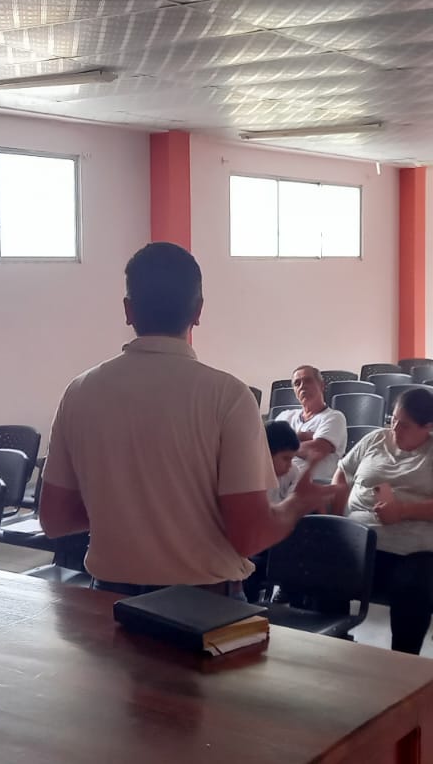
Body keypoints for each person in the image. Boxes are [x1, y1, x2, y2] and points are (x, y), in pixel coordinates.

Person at [40, 243, 328, 596]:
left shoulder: (80, 392)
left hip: (110, 598)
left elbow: (54, 519)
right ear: (198, 310)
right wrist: (296, 504)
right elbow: (249, 536)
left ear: (128, 310)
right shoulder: (228, 396)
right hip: (204, 604)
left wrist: (123, 508)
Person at [331, 388, 433, 655]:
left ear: (427, 427)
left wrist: (403, 511)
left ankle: (404, 660)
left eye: (405, 425)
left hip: (423, 551)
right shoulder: (375, 440)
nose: (395, 428)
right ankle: (334, 644)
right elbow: (342, 473)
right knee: (325, 567)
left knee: (411, 586)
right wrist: (338, 520)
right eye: (393, 419)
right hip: (364, 544)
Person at [245, 421, 309, 602]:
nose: (290, 464)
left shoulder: (294, 472)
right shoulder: (247, 473)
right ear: (265, 453)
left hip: (277, 541)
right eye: (285, 458)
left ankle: (289, 594)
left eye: (292, 458)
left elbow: (293, 511)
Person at [275, 365, 349, 483]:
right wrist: (300, 436)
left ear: (321, 385)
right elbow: (266, 446)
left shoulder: (334, 417)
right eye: (297, 383)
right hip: (280, 483)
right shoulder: (285, 416)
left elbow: (316, 450)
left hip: (314, 484)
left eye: (308, 381)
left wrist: (281, 445)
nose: (302, 386)